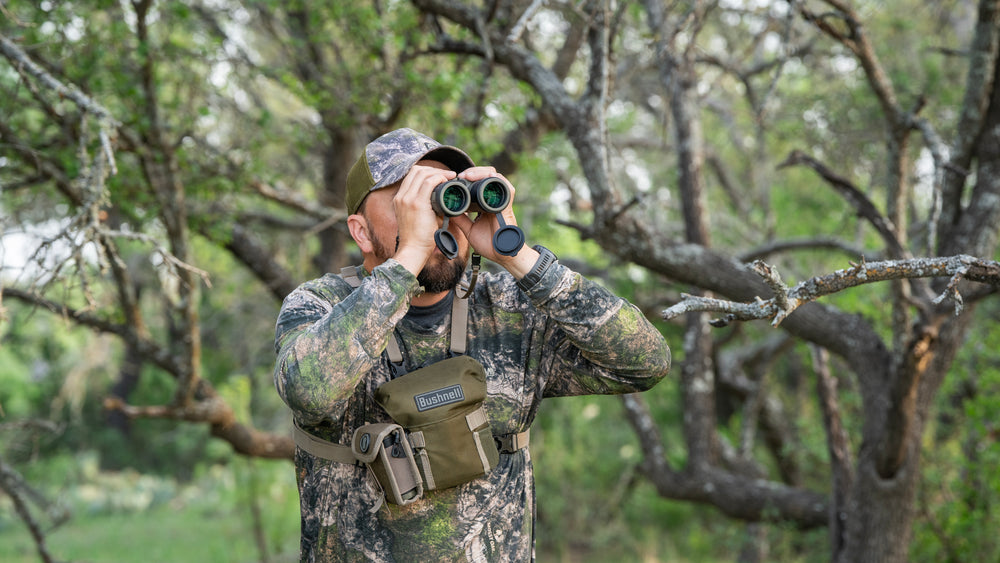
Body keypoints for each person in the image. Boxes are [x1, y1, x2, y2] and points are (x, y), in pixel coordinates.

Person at [273, 127, 671, 562]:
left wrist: (518, 256)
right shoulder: (321, 306)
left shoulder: (511, 307)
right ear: (362, 232)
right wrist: (409, 257)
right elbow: (309, 392)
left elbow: (646, 361)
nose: (435, 218)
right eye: (410, 200)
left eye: (445, 196)